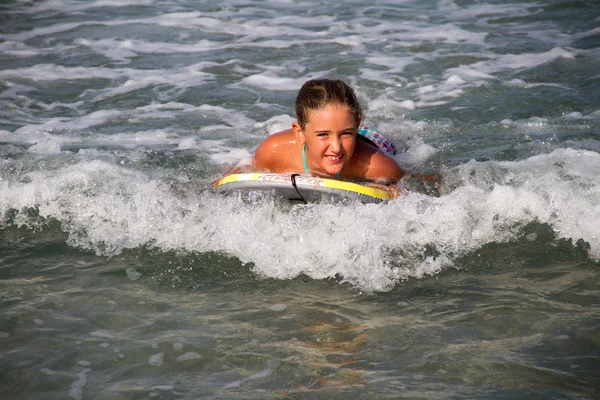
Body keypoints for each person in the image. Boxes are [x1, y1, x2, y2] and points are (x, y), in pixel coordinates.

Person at [253, 78, 406, 185]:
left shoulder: (375, 166)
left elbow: (414, 183)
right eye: (323, 135)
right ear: (300, 133)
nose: (336, 147)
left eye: (346, 133)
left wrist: (388, 187)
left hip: (374, 140)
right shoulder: (272, 152)